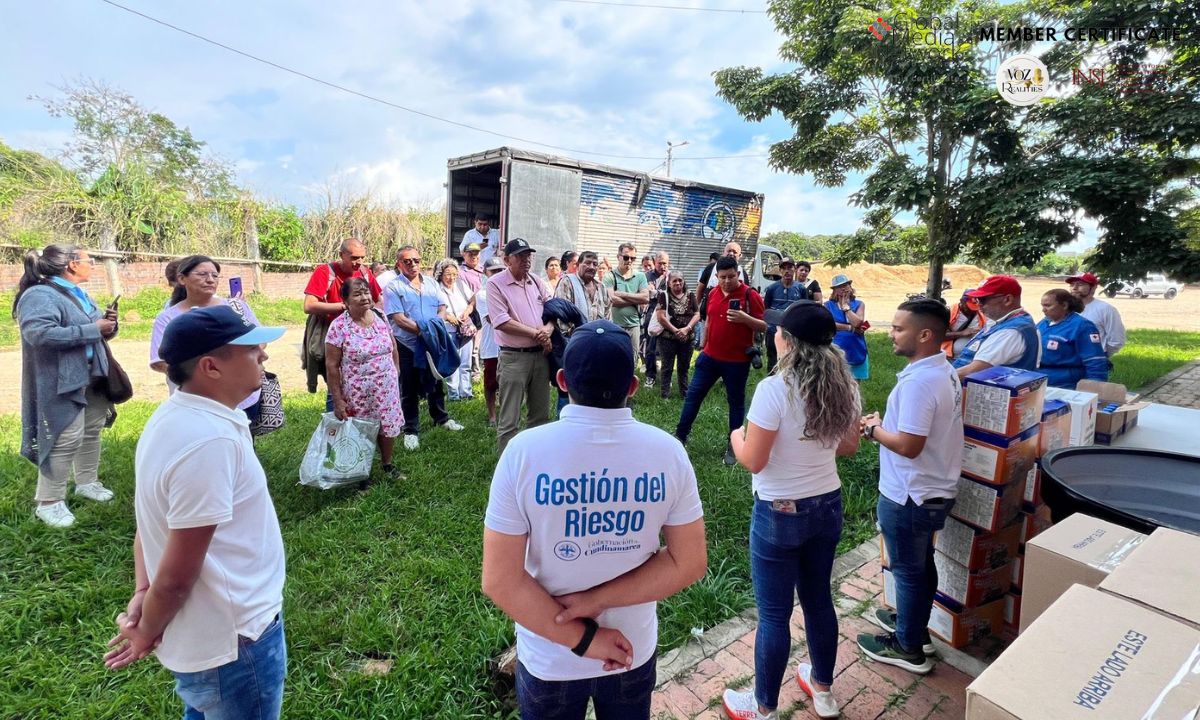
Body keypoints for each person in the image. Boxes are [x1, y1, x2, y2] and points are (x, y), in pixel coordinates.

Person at [481, 320, 707, 720]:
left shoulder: (524, 453)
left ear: (562, 381)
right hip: (629, 650)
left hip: (551, 652)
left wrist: (584, 635)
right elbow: (688, 562)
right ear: (632, 386)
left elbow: (500, 579)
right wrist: (598, 610)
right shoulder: (667, 452)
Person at [103, 305, 288, 719]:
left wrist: (141, 591)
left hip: (209, 636)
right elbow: (178, 577)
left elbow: (150, 524)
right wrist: (145, 630)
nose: (264, 357)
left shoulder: (174, 417)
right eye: (251, 350)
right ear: (210, 367)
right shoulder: (209, 441)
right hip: (235, 639)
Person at [721, 301, 862, 720]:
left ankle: (763, 708)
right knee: (819, 599)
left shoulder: (774, 389)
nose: (774, 335)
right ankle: (823, 691)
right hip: (828, 505)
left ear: (788, 341)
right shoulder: (845, 384)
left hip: (779, 511)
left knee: (775, 614)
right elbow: (850, 446)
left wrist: (734, 437)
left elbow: (753, 460)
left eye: (778, 331)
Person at [857, 299, 962, 675]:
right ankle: (915, 630)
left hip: (910, 493)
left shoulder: (921, 381)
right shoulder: (942, 370)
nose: (891, 333)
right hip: (933, 488)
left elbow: (909, 445)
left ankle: (907, 647)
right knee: (920, 565)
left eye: (899, 328)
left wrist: (872, 429)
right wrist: (886, 423)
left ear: (925, 334)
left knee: (908, 569)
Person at [14, 244, 118, 528]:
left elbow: (95, 325)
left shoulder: (78, 293)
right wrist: (93, 329)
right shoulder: (39, 295)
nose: (92, 264)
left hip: (93, 374)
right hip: (62, 379)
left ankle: (87, 482)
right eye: (89, 259)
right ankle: (49, 502)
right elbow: (39, 334)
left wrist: (108, 324)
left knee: (91, 430)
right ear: (72, 264)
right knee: (63, 436)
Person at [150, 255, 265, 423]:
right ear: (182, 279)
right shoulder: (167, 318)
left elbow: (261, 340)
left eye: (215, 275)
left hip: (242, 397)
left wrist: (237, 363)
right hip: (199, 401)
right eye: (202, 275)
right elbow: (159, 361)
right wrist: (207, 375)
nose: (210, 280)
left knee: (243, 440)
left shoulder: (236, 307)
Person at [676, 256, 767, 465]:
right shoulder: (712, 293)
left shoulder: (749, 295)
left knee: (735, 403)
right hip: (709, 358)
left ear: (738, 274)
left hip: (737, 362)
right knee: (693, 397)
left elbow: (764, 326)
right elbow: (707, 321)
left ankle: (734, 445)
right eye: (722, 277)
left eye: (731, 277)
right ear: (716, 276)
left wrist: (745, 318)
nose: (727, 281)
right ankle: (680, 437)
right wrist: (703, 346)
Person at [325, 277, 406, 487]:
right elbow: (332, 365)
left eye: (366, 292)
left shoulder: (380, 316)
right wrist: (338, 399)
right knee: (362, 430)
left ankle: (387, 464)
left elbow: (393, 344)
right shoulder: (338, 327)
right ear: (345, 300)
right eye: (357, 294)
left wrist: (395, 370)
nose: (365, 297)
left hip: (386, 387)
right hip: (358, 391)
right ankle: (362, 474)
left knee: (387, 426)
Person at [383, 246, 465, 452]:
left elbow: (442, 308)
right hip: (407, 344)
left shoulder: (430, 283)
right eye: (407, 261)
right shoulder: (393, 288)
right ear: (399, 264)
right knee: (409, 387)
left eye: (416, 260)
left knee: (436, 380)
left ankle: (441, 418)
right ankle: (410, 429)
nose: (413, 264)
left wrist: (433, 329)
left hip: (432, 342)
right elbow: (399, 319)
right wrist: (425, 331)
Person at [487, 238, 555, 453]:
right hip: (514, 358)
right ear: (507, 260)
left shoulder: (536, 281)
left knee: (540, 415)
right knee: (509, 417)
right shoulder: (495, 283)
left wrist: (548, 330)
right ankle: (507, 468)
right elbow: (501, 321)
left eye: (528, 255)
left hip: (540, 356)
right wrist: (537, 333)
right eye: (520, 256)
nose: (526, 260)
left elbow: (553, 311)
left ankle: (535, 461)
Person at [302, 239, 382, 403]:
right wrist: (344, 307)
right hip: (333, 337)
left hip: (360, 338)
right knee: (335, 384)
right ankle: (336, 423)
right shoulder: (325, 272)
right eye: (354, 258)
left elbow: (379, 300)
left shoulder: (365, 272)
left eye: (362, 257)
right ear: (341, 255)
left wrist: (373, 318)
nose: (358, 262)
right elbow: (309, 305)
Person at [554, 250, 613, 415]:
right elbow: (561, 317)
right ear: (578, 264)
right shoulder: (568, 282)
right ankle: (565, 424)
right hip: (573, 346)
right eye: (587, 262)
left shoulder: (601, 288)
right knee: (569, 388)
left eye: (595, 264)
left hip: (598, 349)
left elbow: (608, 317)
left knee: (594, 387)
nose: (591, 267)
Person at [952, 275, 1040, 380]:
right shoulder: (1004, 322)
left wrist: (938, 380)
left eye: (983, 299)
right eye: (976, 300)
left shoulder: (1010, 332)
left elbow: (972, 371)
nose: (979, 305)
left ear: (1007, 299)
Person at [1037, 289, 1109, 389]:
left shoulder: (1083, 326)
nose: (1043, 310)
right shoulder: (1043, 323)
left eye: (1048, 305)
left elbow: (1095, 361)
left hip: (1065, 386)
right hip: (1040, 381)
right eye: (1042, 306)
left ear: (1064, 305)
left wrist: (1095, 389)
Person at [434, 259, 477, 401]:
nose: (451, 277)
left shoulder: (460, 284)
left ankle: (466, 392)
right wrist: (447, 316)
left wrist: (468, 311)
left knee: (466, 362)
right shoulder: (436, 288)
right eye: (447, 274)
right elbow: (433, 307)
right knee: (453, 361)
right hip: (448, 330)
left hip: (465, 328)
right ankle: (453, 394)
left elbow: (472, 300)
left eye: (454, 274)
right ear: (441, 274)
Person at [653, 271, 699, 399]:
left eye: (680, 280)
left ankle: (685, 394)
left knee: (684, 368)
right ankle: (665, 396)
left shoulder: (691, 295)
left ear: (683, 281)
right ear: (668, 283)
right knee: (667, 368)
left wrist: (687, 329)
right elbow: (661, 317)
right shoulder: (664, 296)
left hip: (687, 338)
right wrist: (676, 331)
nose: (678, 283)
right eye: (674, 281)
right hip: (667, 338)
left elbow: (697, 314)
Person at [762, 257, 809, 373]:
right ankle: (771, 385)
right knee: (773, 361)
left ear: (794, 269)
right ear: (780, 271)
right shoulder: (772, 289)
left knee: (793, 361)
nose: (787, 271)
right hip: (774, 330)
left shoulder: (801, 288)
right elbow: (766, 310)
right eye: (784, 268)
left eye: (790, 268)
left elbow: (804, 309)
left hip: (793, 331)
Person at [1067, 272, 1126, 361]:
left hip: (1093, 364)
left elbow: (1116, 340)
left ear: (1093, 288)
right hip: (1067, 362)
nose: (1074, 288)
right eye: (1072, 285)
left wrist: (1100, 356)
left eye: (1080, 284)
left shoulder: (1106, 309)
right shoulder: (1064, 308)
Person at [605, 242, 650, 359]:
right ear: (618, 257)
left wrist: (622, 294)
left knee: (632, 359)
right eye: (626, 257)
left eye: (633, 258)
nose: (629, 260)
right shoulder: (609, 276)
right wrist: (636, 299)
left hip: (634, 325)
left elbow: (645, 298)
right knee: (613, 358)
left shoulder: (640, 276)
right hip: (614, 325)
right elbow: (612, 300)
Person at [476, 257, 506, 426]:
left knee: (508, 382)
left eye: (500, 270)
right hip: (492, 346)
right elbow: (494, 319)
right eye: (493, 271)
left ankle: (506, 413)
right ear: (485, 273)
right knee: (490, 383)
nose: (497, 274)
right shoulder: (482, 294)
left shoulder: (509, 290)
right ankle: (492, 415)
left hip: (509, 345)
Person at [825, 274, 870, 381]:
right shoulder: (828, 305)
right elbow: (828, 324)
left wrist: (846, 308)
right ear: (834, 290)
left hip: (856, 349)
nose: (844, 288)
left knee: (855, 385)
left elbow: (858, 323)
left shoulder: (859, 304)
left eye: (846, 285)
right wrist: (850, 328)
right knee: (836, 383)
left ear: (851, 287)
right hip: (836, 348)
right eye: (840, 286)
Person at [640, 251, 670, 386]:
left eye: (665, 263)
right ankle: (650, 375)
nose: (662, 266)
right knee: (651, 346)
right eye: (660, 263)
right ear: (655, 262)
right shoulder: (646, 276)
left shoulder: (671, 276)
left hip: (668, 311)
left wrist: (656, 292)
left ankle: (666, 376)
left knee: (668, 346)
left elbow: (674, 293)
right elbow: (646, 294)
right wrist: (658, 293)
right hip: (652, 311)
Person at [942, 290, 983, 360]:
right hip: (949, 357)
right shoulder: (948, 312)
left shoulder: (981, 314)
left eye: (975, 307)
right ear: (961, 301)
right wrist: (962, 333)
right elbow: (939, 336)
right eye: (969, 307)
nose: (972, 310)